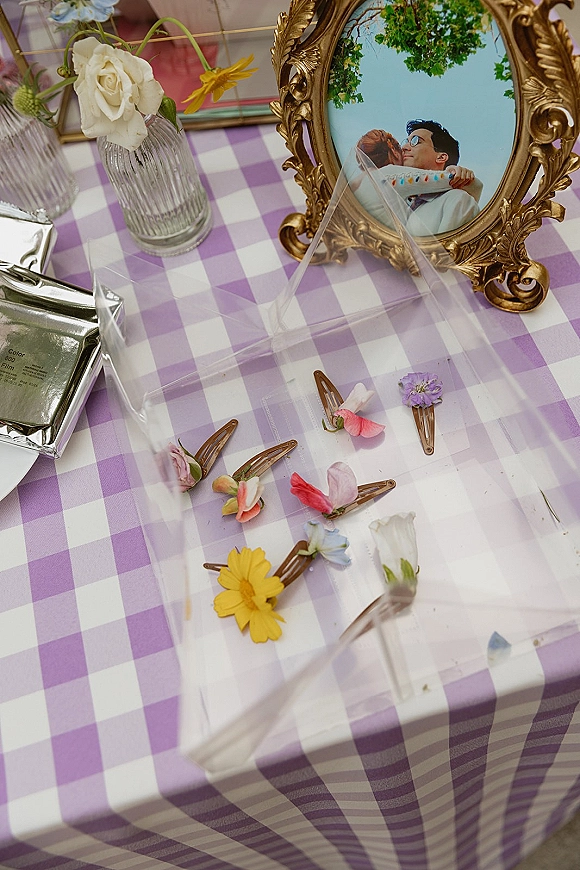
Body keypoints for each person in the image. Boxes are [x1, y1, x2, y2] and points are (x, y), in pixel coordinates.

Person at [350, 120, 482, 235]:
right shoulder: (395, 191)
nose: (405, 148)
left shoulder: (458, 200)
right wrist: (465, 179)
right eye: (405, 142)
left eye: (415, 141)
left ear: (441, 157)